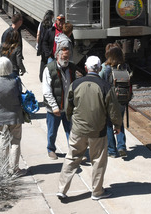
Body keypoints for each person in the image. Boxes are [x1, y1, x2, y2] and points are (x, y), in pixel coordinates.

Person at [56, 55, 122, 201]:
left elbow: (68, 106)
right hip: (97, 131)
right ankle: (97, 192)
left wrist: (70, 121)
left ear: (85, 68)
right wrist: (117, 126)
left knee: (71, 158)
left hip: (78, 130)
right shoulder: (106, 87)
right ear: (99, 69)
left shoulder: (76, 84)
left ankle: (62, 189)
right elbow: (113, 110)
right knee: (98, 161)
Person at [42, 40, 83, 160]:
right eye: (64, 57)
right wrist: (54, 107)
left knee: (71, 132)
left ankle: (73, 152)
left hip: (68, 108)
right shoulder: (49, 69)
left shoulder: (71, 68)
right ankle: (51, 149)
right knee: (52, 132)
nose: (66, 59)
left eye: (68, 57)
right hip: (54, 108)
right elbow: (47, 91)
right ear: (58, 56)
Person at [0, 57, 26, 177]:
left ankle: (3, 170)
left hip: (0, 117)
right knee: (15, 141)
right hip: (15, 117)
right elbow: (20, 94)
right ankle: (14, 169)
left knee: (3, 142)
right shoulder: (15, 81)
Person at [99, 44, 131, 158]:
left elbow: (99, 81)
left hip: (110, 101)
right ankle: (122, 146)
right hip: (122, 100)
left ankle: (112, 151)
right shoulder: (125, 66)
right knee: (119, 122)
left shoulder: (105, 67)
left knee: (108, 124)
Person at [36, 10, 54, 80]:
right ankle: (48, 76)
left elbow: (38, 35)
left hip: (42, 46)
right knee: (49, 61)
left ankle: (41, 76)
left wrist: (38, 44)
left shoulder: (41, 23)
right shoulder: (52, 24)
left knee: (43, 61)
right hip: (48, 46)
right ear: (51, 16)